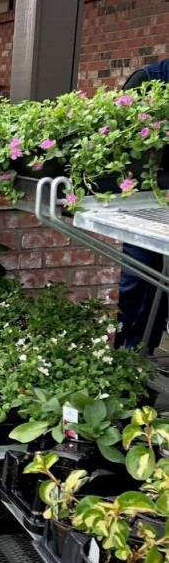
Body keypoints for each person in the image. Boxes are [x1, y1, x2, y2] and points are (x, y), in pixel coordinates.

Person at [115, 57, 169, 355]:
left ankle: (143, 354)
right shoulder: (148, 79)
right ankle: (127, 357)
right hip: (146, 201)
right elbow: (120, 148)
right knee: (139, 279)